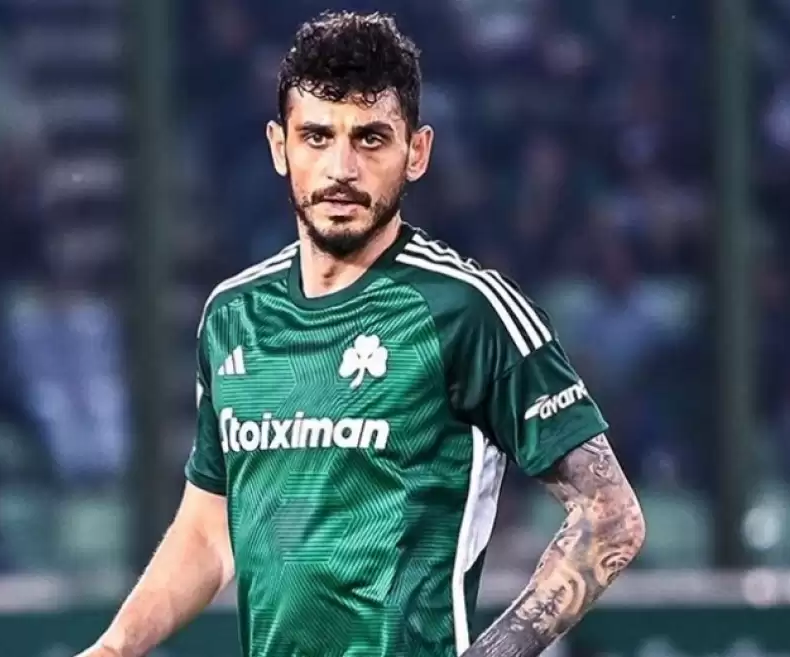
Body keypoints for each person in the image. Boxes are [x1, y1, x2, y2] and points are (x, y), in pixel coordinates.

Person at [77, 11, 645, 657]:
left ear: (417, 152)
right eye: (317, 137)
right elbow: (210, 528)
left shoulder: (468, 310)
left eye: (370, 139)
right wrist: (115, 647)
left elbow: (611, 517)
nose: (341, 167)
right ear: (279, 146)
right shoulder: (232, 314)